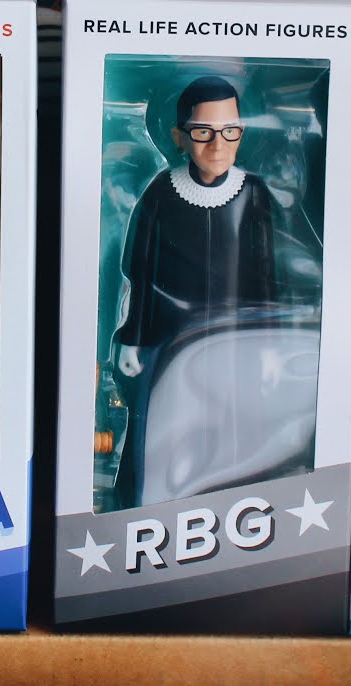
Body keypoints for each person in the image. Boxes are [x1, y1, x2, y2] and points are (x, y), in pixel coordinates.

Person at [110, 76, 278, 509]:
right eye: (203, 132)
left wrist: (269, 344)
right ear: (179, 137)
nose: (218, 145)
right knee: (165, 429)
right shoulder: (161, 193)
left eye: (229, 131)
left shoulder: (253, 193)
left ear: (242, 132)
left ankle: (228, 504)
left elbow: (264, 275)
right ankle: (150, 506)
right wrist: (132, 336)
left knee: (229, 432)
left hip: (232, 343)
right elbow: (140, 271)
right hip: (170, 341)